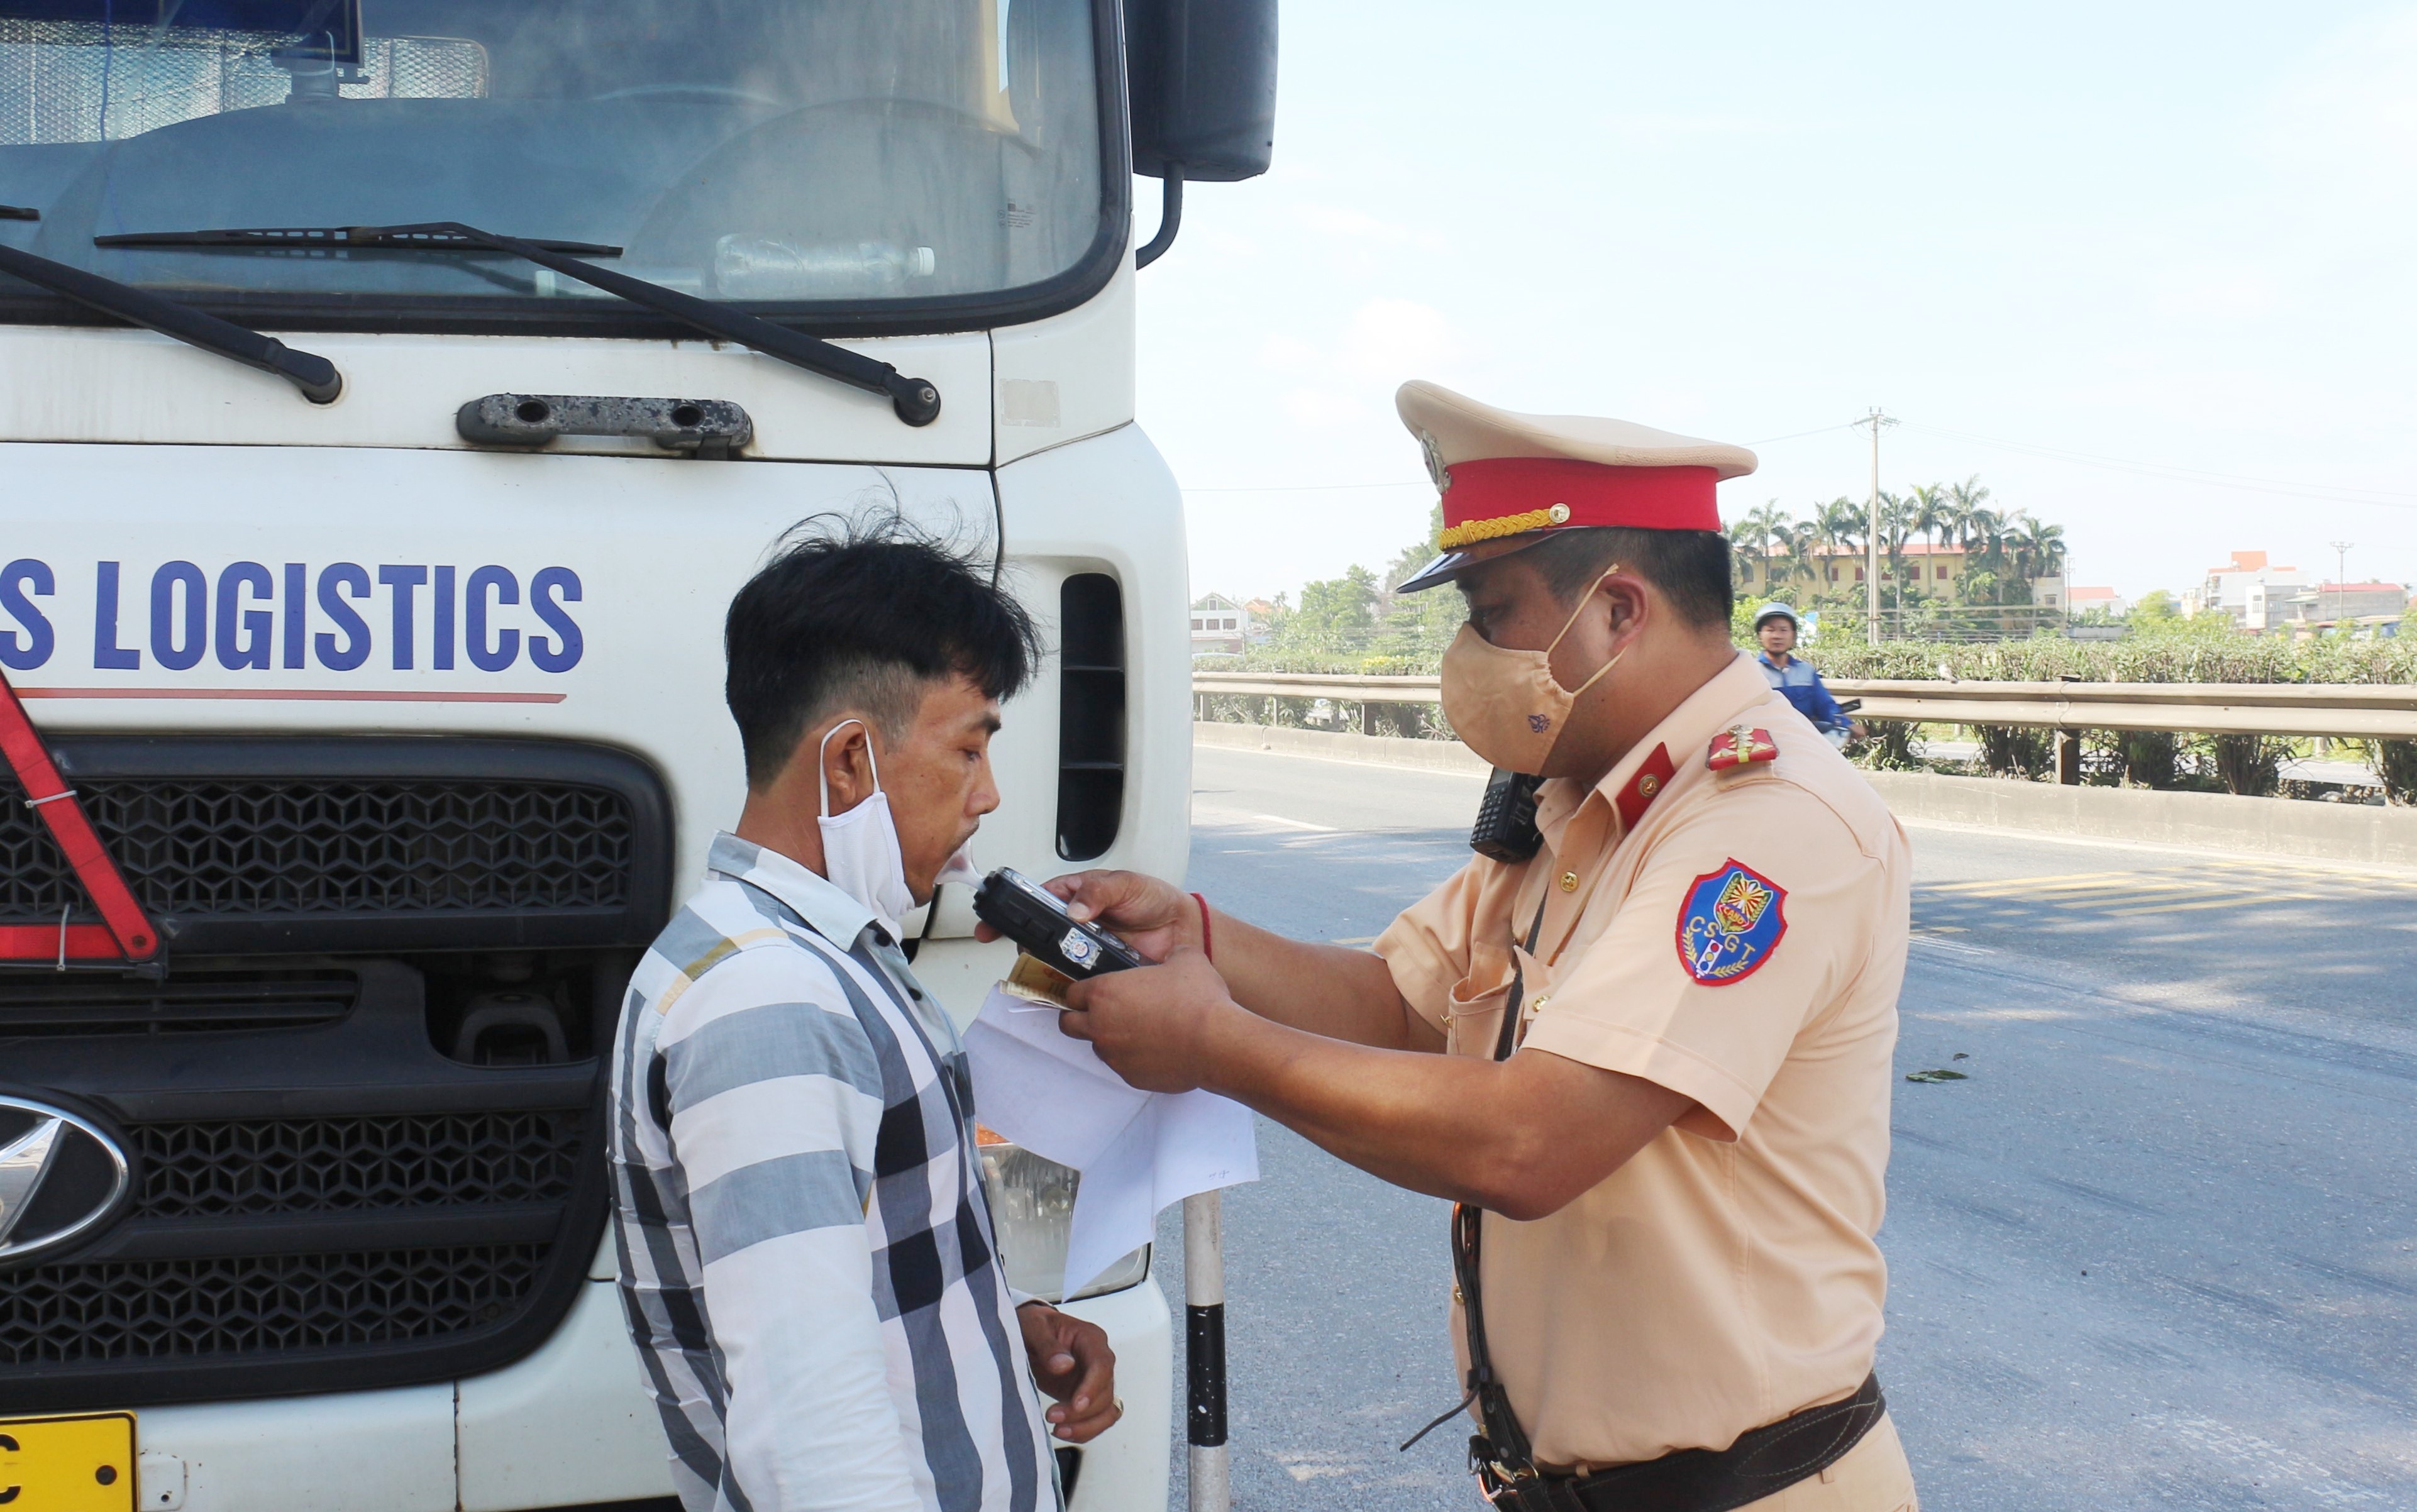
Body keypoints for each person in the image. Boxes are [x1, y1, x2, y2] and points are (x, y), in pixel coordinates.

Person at [1017, 384, 1916, 1511]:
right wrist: (1193, 935)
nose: (1469, 651)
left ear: (1617, 610)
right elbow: (1401, 1005)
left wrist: (1210, 1043)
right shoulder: (1577, 804)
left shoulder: (1763, 823)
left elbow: (1530, 1143)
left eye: (1493, 612)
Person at [607, 525, 1120, 1512]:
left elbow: (841, 1283)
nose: (988, 793)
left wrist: (989, 1328)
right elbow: (813, 1430)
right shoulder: (768, 1000)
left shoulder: (814, 957)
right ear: (849, 762)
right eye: (967, 747)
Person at [1752, 602, 1864, 746]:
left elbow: (1824, 705)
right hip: (1767, 747)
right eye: (1770, 630)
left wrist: (1845, 724)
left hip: (1804, 742)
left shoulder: (1806, 671)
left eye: (1783, 630)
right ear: (1760, 635)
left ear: (1793, 635)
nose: (1777, 636)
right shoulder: (1752, 672)